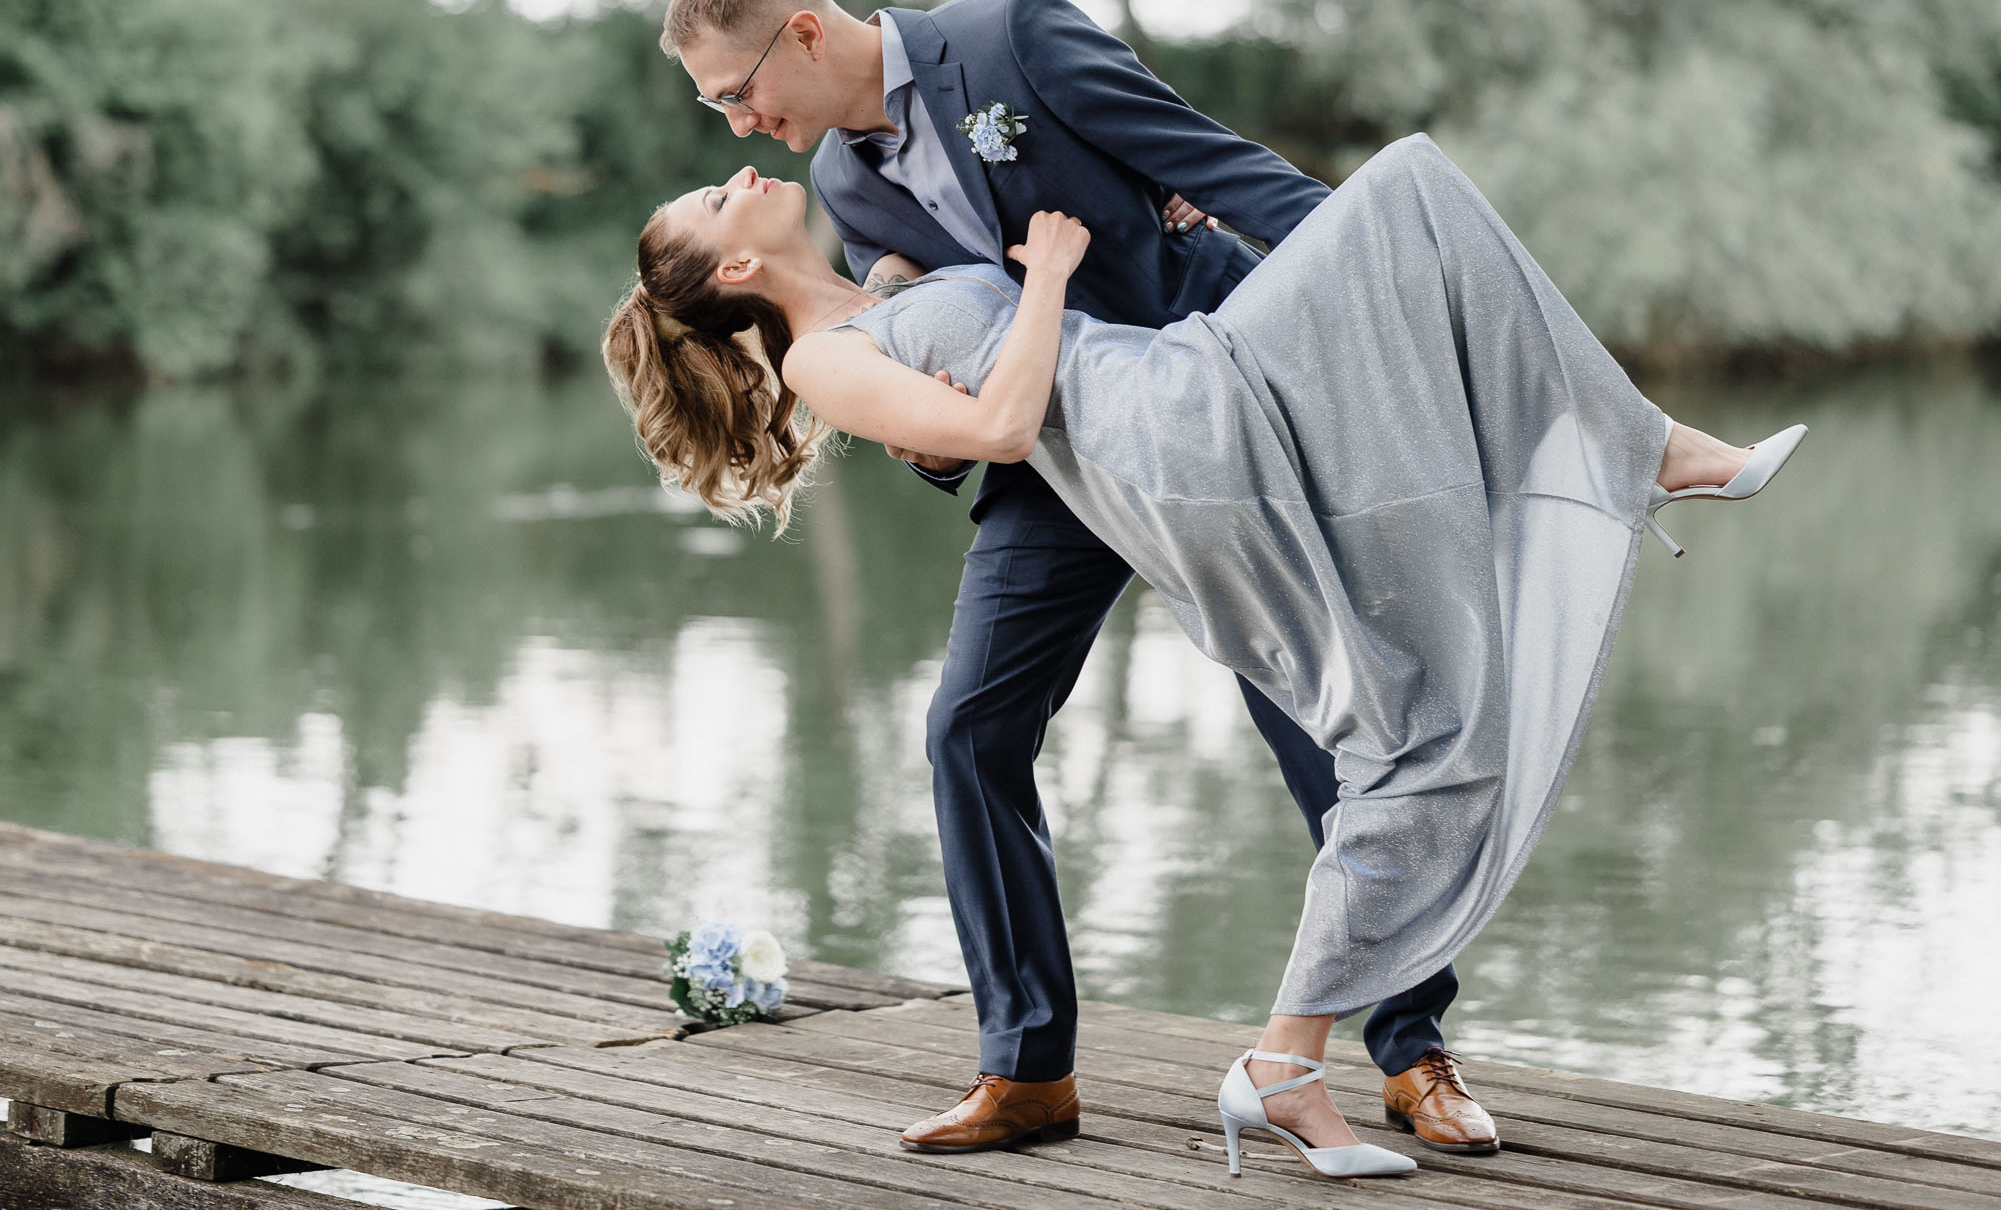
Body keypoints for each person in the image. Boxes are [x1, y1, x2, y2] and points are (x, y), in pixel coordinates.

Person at [601, 147, 1807, 1180]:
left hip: (1184, 384)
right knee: (1405, 201)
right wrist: (1055, 281)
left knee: (1411, 716)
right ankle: (1637, 448)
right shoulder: (817, 362)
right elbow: (1000, 430)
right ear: (733, 273)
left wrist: (1146, 215)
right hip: (1170, 440)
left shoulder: (875, 276)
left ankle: (1289, 1063)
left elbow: (977, 317)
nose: (743, 169)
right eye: (718, 197)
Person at [660, 0, 1501, 1158]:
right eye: (715, 109)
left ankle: (1411, 1047)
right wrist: (931, 448)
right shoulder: (843, 183)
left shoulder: (1008, 40)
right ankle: (1027, 1072)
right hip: (1051, 462)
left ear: (800, 34)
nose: (738, 122)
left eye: (736, 90)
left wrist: (1367, 292)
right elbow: (938, 348)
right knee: (968, 727)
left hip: (1210, 421)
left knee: (1322, 718)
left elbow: (1220, 172)